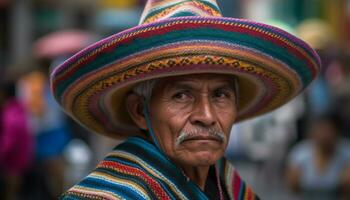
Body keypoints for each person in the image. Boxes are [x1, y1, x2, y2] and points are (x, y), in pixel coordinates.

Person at [51, 0, 320, 199]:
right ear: (138, 111)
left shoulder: (226, 182)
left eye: (220, 95)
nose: (206, 115)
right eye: (181, 95)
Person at [285, 112, 350, 200]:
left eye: (328, 130)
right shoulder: (300, 153)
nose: (324, 135)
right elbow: (292, 186)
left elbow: (346, 187)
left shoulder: (346, 152)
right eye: (320, 129)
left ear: (337, 132)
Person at [0, 78, 34, 200]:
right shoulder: (18, 109)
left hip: (13, 164)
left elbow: (8, 144)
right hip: (21, 161)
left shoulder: (10, 117)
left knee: (11, 193)